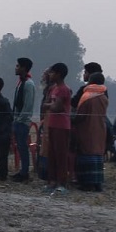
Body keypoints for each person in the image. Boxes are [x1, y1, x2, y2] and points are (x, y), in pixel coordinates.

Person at [73, 72, 108, 192]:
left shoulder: (87, 96)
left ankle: (87, 184)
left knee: (86, 154)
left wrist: (72, 120)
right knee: (98, 155)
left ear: (90, 82)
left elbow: (81, 115)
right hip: (100, 129)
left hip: (87, 129)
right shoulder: (103, 96)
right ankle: (97, 183)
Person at [42, 63, 72, 195]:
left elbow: (57, 107)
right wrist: (49, 104)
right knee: (52, 154)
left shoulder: (63, 89)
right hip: (52, 124)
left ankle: (62, 183)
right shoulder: (54, 89)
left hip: (61, 125)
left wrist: (47, 105)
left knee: (60, 155)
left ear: (59, 74)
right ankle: (52, 181)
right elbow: (50, 104)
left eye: (52, 73)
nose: (50, 75)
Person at [10, 57, 36, 183]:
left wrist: (19, 119)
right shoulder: (21, 82)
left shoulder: (29, 84)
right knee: (20, 147)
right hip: (18, 119)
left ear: (24, 68)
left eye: (18, 66)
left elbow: (28, 105)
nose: (16, 68)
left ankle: (24, 172)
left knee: (23, 147)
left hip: (22, 121)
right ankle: (22, 171)